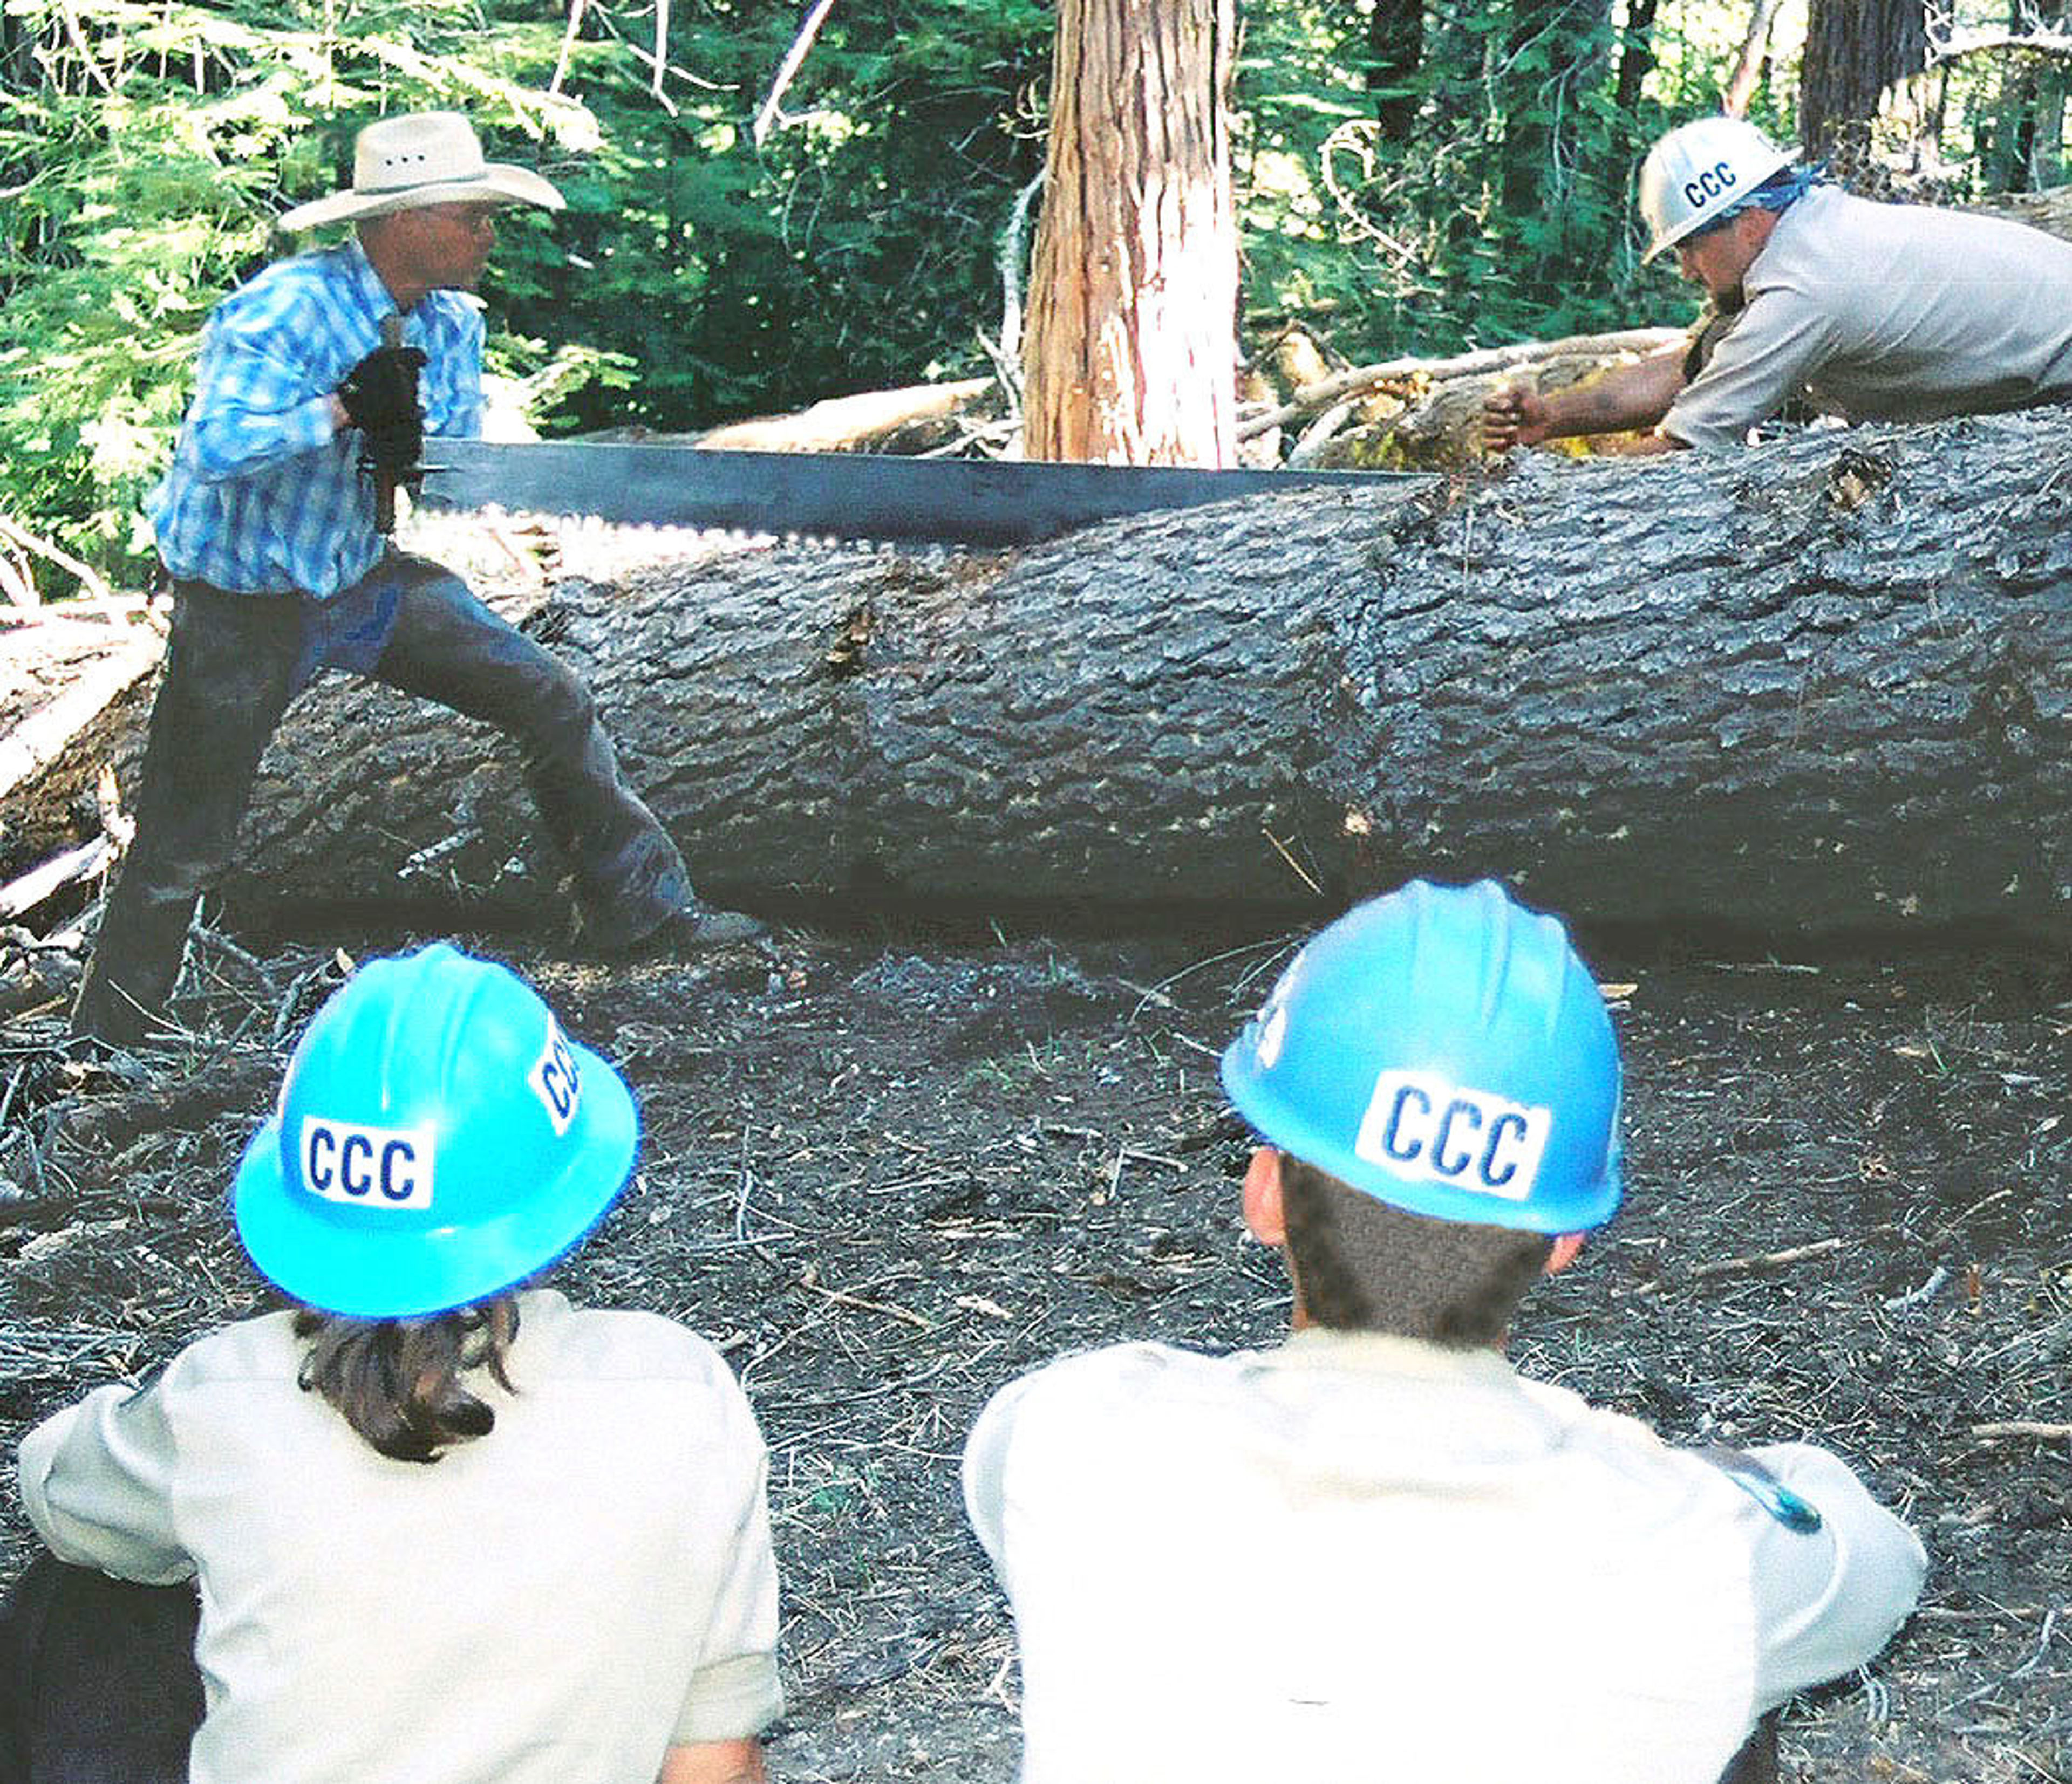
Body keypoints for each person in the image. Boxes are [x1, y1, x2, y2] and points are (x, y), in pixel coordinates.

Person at [963, 878, 1927, 1784]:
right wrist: (1692, 1477)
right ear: (1563, 1241)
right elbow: (1875, 1558)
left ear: (1266, 1197)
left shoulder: (1070, 1434)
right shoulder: (1689, 1546)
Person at [6, 944, 782, 1783]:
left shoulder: (222, 1397)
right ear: (557, 1184)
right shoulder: (681, 1392)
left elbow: (57, 1493)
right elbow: (718, 1763)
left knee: (90, 1586)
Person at [73, 111, 760, 1049]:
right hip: (245, 606)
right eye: (471, 215)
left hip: (362, 583)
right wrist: (342, 408)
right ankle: (104, 1047)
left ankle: (641, 911)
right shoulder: (285, 310)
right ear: (404, 222)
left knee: (550, 695)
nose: (488, 233)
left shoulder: (455, 323)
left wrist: (424, 453)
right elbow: (216, 447)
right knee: (181, 846)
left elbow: (445, 470)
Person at [1484, 115, 2072, 454]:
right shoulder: (1808, 239)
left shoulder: (1807, 289)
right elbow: (1693, 369)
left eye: (1690, 247)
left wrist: (1545, 507)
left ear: (1749, 222)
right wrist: (1552, 417)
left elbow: (1689, 444)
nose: (1687, 269)